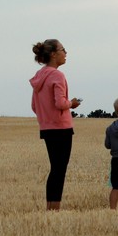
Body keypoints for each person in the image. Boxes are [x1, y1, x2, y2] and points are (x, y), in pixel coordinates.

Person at [29, 39, 81, 210]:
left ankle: (50, 207)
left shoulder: (39, 76)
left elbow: (34, 106)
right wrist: (71, 104)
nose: (66, 53)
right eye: (63, 50)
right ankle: (55, 209)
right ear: (53, 54)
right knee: (60, 169)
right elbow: (60, 103)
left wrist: (46, 117)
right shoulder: (57, 75)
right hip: (61, 128)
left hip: (46, 128)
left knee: (55, 169)